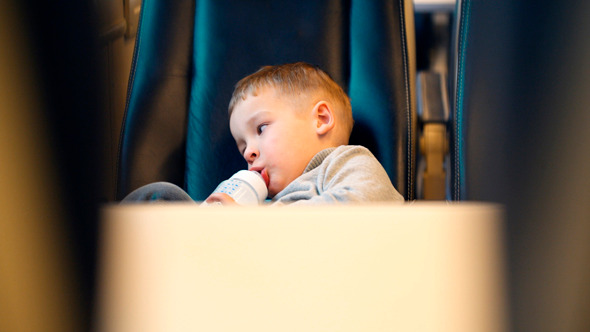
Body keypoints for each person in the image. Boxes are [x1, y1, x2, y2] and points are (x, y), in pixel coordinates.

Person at [122, 62, 404, 205]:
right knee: (161, 196)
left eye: (261, 129)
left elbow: (367, 206)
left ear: (321, 119)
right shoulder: (264, 200)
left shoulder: (345, 163)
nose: (248, 152)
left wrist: (257, 224)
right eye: (242, 145)